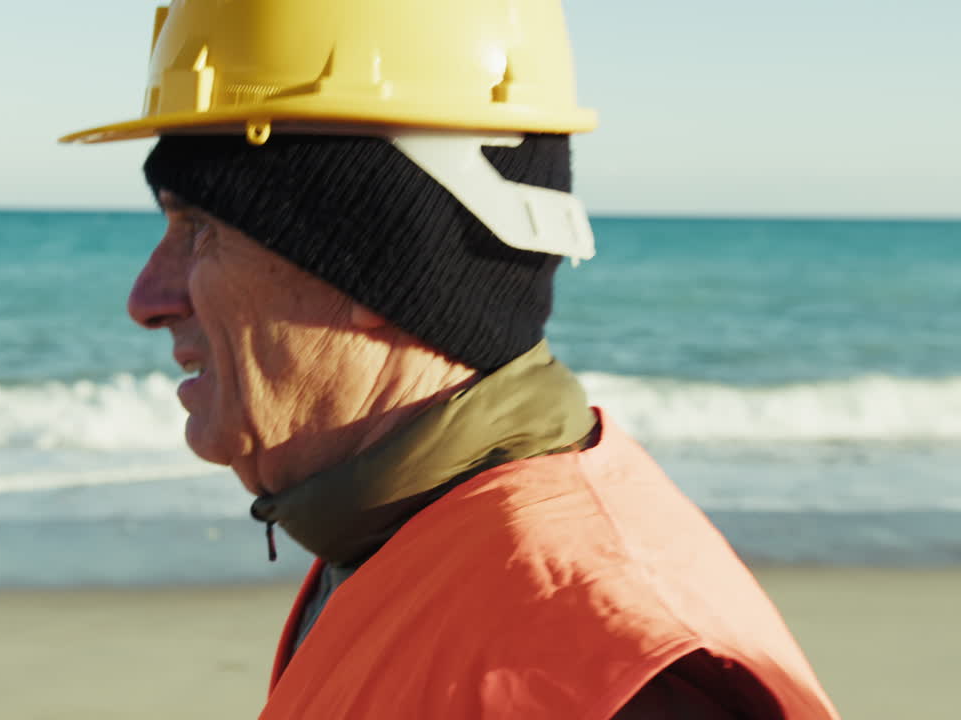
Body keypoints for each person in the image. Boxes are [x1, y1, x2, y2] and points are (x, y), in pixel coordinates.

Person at [62, 1, 841, 717]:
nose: (147, 297)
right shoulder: (397, 532)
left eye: (201, 227)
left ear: (379, 259)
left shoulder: (613, 676)